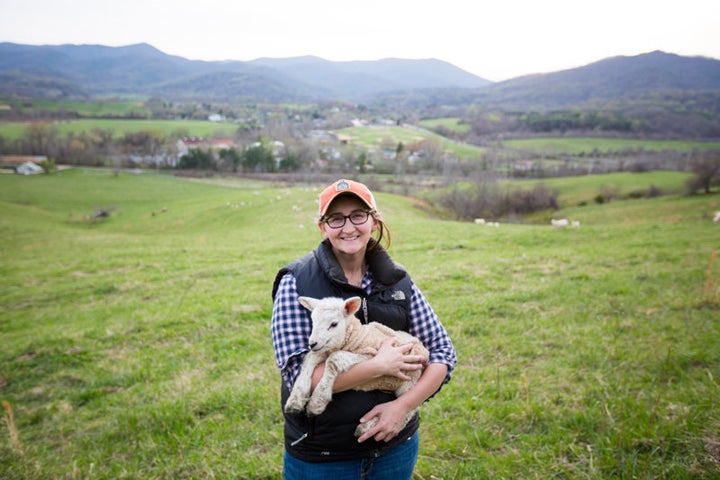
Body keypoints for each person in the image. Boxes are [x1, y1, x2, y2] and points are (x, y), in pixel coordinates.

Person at [271, 179, 457, 480]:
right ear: (323, 227)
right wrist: (377, 365)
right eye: (336, 218)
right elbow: (297, 379)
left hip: (395, 447)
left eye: (358, 215)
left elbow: (443, 352)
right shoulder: (297, 282)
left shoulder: (397, 281)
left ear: (374, 219)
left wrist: (403, 406)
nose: (348, 228)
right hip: (323, 457)